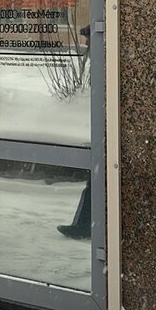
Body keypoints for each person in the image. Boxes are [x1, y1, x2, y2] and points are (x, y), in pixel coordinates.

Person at [57, 24, 91, 240]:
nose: (86, 44)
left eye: (89, 39)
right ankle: (85, 227)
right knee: (95, 184)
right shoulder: (101, 61)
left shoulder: (106, 61)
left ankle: (83, 227)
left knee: (95, 185)